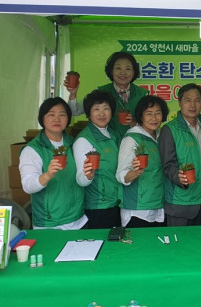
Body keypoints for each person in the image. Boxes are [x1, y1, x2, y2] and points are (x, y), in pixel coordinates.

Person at [19, 97, 87, 230]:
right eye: (51, 115)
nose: (57, 119)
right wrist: (47, 175)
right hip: (50, 224)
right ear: (42, 119)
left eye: (62, 115)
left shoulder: (74, 143)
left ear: (68, 119)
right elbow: (28, 186)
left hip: (79, 220)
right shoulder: (32, 150)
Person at [159, 83, 201, 226]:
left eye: (197, 100)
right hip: (181, 201)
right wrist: (180, 178)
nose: (192, 105)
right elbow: (168, 165)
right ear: (179, 102)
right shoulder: (169, 130)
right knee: (180, 240)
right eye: (188, 100)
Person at [65, 51, 149, 139]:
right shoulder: (101, 92)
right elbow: (75, 111)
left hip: (136, 143)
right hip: (107, 143)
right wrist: (73, 93)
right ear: (111, 71)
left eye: (128, 69)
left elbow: (149, 124)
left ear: (134, 72)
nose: (123, 72)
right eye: (118, 68)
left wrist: (133, 122)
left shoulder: (143, 94)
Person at [116, 95, 169, 228]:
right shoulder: (132, 139)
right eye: (149, 114)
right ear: (141, 116)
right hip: (137, 210)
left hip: (158, 205)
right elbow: (121, 175)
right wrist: (136, 172)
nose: (154, 118)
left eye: (158, 113)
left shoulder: (162, 136)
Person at [72, 90, 121, 229]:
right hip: (98, 207)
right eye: (96, 109)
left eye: (106, 108)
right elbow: (80, 179)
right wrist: (88, 175)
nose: (102, 114)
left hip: (115, 202)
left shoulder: (112, 134)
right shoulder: (84, 140)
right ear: (89, 113)